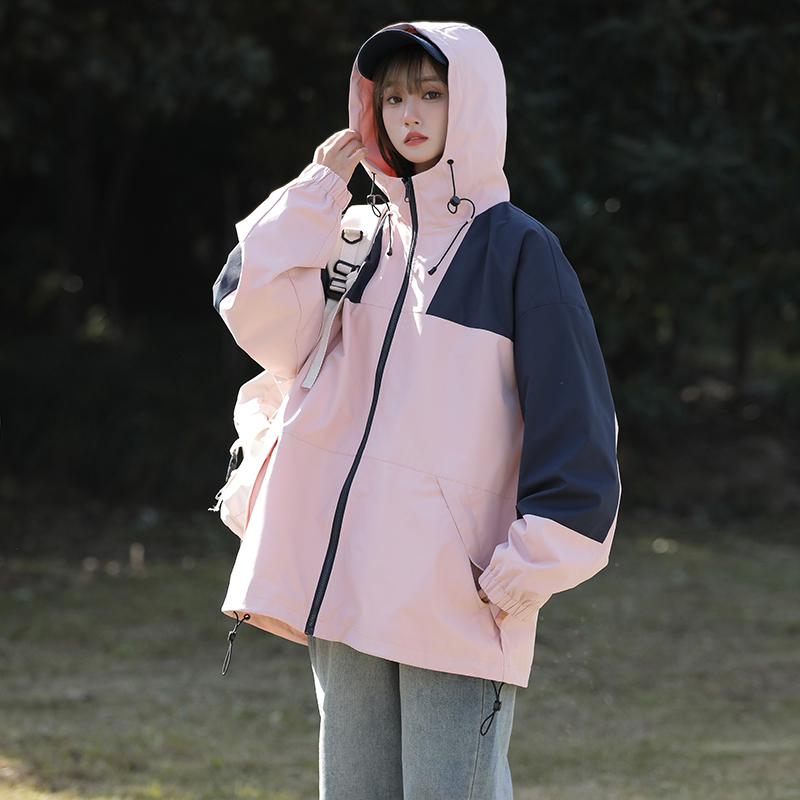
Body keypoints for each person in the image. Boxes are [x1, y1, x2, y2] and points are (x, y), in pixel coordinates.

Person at [212, 21, 620, 800]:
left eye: (431, 93)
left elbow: (578, 425)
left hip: (453, 592)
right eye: (393, 97)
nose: (409, 113)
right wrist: (315, 193)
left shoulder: (520, 251)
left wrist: (523, 569)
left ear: (472, 104)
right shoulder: (353, 236)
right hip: (347, 581)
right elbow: (252, 313)